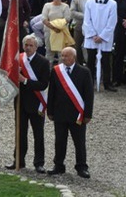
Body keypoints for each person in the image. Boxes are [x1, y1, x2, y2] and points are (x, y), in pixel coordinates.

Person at [47, 47, 94, 179]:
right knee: (59, 141)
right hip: (60, 113)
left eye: (66, 56)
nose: (63, 58)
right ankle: (59, 165)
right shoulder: (57, 71)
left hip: (77, 114)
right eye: (62, 56)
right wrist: (50, 111)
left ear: (73, 57)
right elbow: (52, 92)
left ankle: (81, 166)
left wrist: (88, 114)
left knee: (79, 142)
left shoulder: (84, 72)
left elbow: (89, 96)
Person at [8, 34, 50, 173]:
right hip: (20, 102)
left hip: (37, 103)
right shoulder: (18, 59)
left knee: (38, 134)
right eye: (26, 45)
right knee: (20, 133)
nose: (28, 48)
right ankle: (18, 160)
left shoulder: (43, 62)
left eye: (31, 45)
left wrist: (24, 80)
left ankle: (39, 163)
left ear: (36, 47)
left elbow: (43, 84)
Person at [83, 0, 118, 91]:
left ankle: (107, 83)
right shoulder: (89, 2)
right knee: (90, 61)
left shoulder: (112, 4)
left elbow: (112, 22)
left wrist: (102, 36)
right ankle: (89, 83)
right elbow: (87, 20)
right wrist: (93, 34)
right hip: (92, 37)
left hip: (105, 38)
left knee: (106, 61)